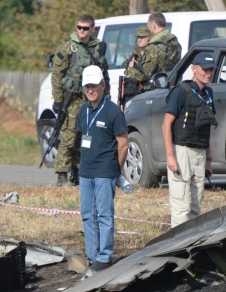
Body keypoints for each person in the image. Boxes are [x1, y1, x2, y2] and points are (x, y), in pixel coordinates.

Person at [77, 65, 129, 271]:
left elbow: (123, 144)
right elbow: (83, 137)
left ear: (103, 86)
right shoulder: (83, 110)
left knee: (104, 215)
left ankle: (105, 256)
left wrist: (114, 170)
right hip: (86, 171)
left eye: (94, 86)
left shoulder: (113, 111)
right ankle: (92, 255)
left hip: (105, 171)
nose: (90, 90)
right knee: (87, 214)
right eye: (87, 86)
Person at [51, 14, 110, 186]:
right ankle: (62, 173)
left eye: (85, 28)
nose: (81, 31)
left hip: (91, 99)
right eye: (79, 27)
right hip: (72, 99)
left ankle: (77, 171)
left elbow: (103, 73)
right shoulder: (68, 48)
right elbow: (56, 75)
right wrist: (59, 99)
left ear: (92, 29)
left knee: (86, 136)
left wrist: (106, 97)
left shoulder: (98, 47)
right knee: (69, 137)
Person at [162, 52, 216, 227]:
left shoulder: (208, 94)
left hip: (200, 152)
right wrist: (171, 156)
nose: (208, 73)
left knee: (195, 205)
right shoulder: (181, 92)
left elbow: (206, 127)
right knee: (181, 205)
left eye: (211, 70)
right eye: (205, 69)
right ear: (194, 69)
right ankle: (178, 246)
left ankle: (191, 245)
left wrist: (208, 159)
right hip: (182, 151)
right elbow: (166, 125)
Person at [130, 12, 181, 92]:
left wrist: (131, 69)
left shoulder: (153, 47)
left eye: (149, 27)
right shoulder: (174, 43)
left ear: (153, 25)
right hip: (174, 88)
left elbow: (144, 75)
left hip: (157, 92)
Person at [122, 25, 152, 99]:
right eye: (138, 37)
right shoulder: (135, 54)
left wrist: (131, 69)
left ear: (149, 37)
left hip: (147, 92)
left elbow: (144, 75)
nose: (139, 40)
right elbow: (126, 72)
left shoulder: (151, 53)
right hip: (133, 91)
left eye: (142, 37)